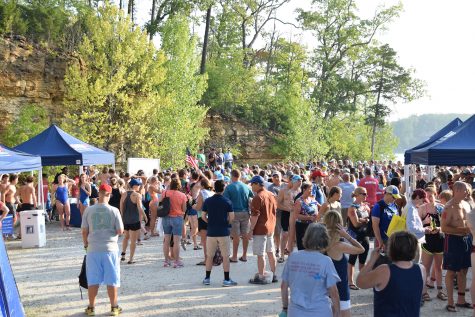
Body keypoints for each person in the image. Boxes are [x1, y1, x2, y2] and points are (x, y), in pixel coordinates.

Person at [356, 231, 426, 317]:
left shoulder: (384, 270)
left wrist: (372, 260)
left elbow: (359, 282)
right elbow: (422, 291)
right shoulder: (421, 269)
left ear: (392, 249)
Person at [280, 223, 340, 317]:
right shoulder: (326, 261)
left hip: (295, 312)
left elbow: (284, 286)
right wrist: (337, 312)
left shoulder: (293, 257)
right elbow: (334, 292)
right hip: (320, 312)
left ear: (306, 237)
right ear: (325, 239)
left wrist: (285, 308)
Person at [81, 184, 124, 316]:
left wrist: (86, 245)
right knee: (112, 279)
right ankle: (114, 307)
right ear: (109, 195)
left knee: (93, 279)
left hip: (93, 249)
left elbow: (84, 231)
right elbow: (120, 231)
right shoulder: (114, 210)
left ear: (99, 193)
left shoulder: (88, 210)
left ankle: (91, 308)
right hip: (110, 249)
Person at [323, 211, 365, 317]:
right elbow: (361, 249)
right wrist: (347, 236)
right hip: (341, 291)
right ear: (339, 224)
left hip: (324, 291)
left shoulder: (321, 244)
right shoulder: (339, 245)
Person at [441, 181, 472, 312]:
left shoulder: (466, 204)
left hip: (466, 240)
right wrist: (462, 230)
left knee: (464, 270)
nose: (467, 192)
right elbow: (444, 227)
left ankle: (461, 300)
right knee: (451, 271)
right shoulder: (449, 207)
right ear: (457, 190)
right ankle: (450, 302)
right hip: (453, 241)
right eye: (465, 190)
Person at [201, 180, 236, 287]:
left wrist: (209, 222)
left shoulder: (207, 201)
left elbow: (203, 216)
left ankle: (207, 278)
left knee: (209, 256)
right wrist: (227, 223)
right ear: (223, 188)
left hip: (211, 231)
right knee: (226, 256)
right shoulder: (227, 201)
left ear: (214, 188)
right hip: (223, 231)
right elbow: (232, 217)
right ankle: (226, 279)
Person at [247, 176, 277, 284]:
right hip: (271, 227)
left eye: (252, 184)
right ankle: (273, 275)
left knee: (261, 254)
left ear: (258, 184)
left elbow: (254, 216)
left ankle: (261, 276)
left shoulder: (258, 197)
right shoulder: (271, 195)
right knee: (271, 252)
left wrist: (251, 229)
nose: (251, 186)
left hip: (260, 229)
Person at [419, 186, 446, 300]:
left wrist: (439, 229)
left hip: (439, 240)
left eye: (431, 195)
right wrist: (426, 226)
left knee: (439, 267)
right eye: (427, 196)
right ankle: (424, 291)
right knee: (426, 267)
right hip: (427, 240)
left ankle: (440, 290)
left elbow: (446, 225)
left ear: (436, 194)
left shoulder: (441, 208)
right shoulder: (422, 208)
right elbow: (417, 225)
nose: (429, 198)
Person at [224, 170, 253, 263]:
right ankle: (244, 255)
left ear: (232, 176)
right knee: (245, 235)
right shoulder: (246, 187)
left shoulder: (229, 187)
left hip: (234, 213)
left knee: (235, 235)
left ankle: (235, 256)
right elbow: (251, 198)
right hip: (245, 212)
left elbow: (226, 201)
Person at [347, 186, 371, 290]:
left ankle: (364, 280)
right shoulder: (352, 207)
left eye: (366, 193)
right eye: (364, 193)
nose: (366, 195)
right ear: (357, 195)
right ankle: (350, 282)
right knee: (352, 260)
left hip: (364, 236)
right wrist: (364, 220)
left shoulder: (365, 206)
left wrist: (364, 219)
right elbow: (355, 224)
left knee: (363, 261)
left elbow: (368, 218)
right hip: (355, 237)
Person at [161, 178, 187, 268]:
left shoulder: (164, 193)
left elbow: (160, 204)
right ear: (179, 186)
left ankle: (166, 261)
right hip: (177, 218)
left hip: (166, 217)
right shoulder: (182, 195)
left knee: (166, 240)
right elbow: (184, 209)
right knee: (177, 241)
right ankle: (176, 261)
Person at [120, 178, 143, 264]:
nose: (139, 186)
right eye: (138, 185)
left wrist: (122, 218)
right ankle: (131, 259)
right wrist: (145, 216)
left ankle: (123, 254)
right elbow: (140, 208)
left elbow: (121, 208)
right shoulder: (137, 195)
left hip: (125, 220)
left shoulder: (123, 194)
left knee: (126, 237)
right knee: (133, 241)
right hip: (134, 220)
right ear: (134, 186)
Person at [193, 177, 215, 265]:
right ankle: (213, 258)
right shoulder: (212, 193)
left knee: (205, 240)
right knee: (212, 239)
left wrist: (193, 206)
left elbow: (198, 207)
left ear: (202, 185)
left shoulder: (202, 193)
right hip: (212, 217)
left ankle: (207, 259)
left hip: (202, 217)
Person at [371, 185, 400, 250]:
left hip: (392, 238)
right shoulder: (378, 206)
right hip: (382, 238)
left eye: (396, 197)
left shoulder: (394, 205)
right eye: (393, 197)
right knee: (379, 258)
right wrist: (380, 241)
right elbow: (375, 226)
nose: (395, 199)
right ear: (387, 194)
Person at [293, 182, 318, 251]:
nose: (311, 191)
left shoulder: (312, 199)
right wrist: (309, 217)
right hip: (302, 226)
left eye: (312, 189)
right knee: (302, 247)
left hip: (312, 226)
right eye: (310, 189)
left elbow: (321, 207)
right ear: (304, 190)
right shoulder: (299, 201)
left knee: (312, 246)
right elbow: (296, 215)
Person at [404, 189, 427, 264]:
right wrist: (424, 230)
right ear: (417, 197)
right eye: (423, 200)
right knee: (414, 265)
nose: (423, 203)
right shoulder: (411, 208)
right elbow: (411, 228)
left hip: (410, 241)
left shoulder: (410, 206)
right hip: (413, 241)